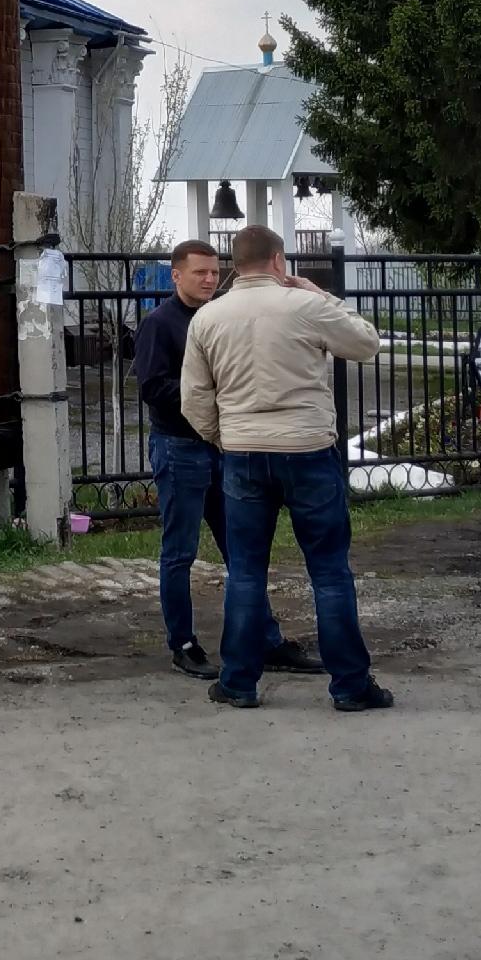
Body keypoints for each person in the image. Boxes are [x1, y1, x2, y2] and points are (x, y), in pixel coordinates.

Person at [182, 224, 392, 711]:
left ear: (235, 265)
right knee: (329, 572)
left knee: (247, 572)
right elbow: (365, 343)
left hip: (243, 454)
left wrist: (224, 436)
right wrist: (321, 292)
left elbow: (193, 397)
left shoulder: (209, 318)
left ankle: (238, 682)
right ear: (279, 262)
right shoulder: (306, 306)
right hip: (308, 452)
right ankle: (350, 686)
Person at [134, 240, 313, 680]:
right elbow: (153, 387)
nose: (210, 280)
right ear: (176, 275)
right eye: (200, 273)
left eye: (215, 272)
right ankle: (184, 643)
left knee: (242, 550)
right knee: (180, 552)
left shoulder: (220, 316)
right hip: (181, 448)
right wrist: (211, 401)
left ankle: (265, 639)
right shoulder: (160, 324)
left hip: (223, 447)